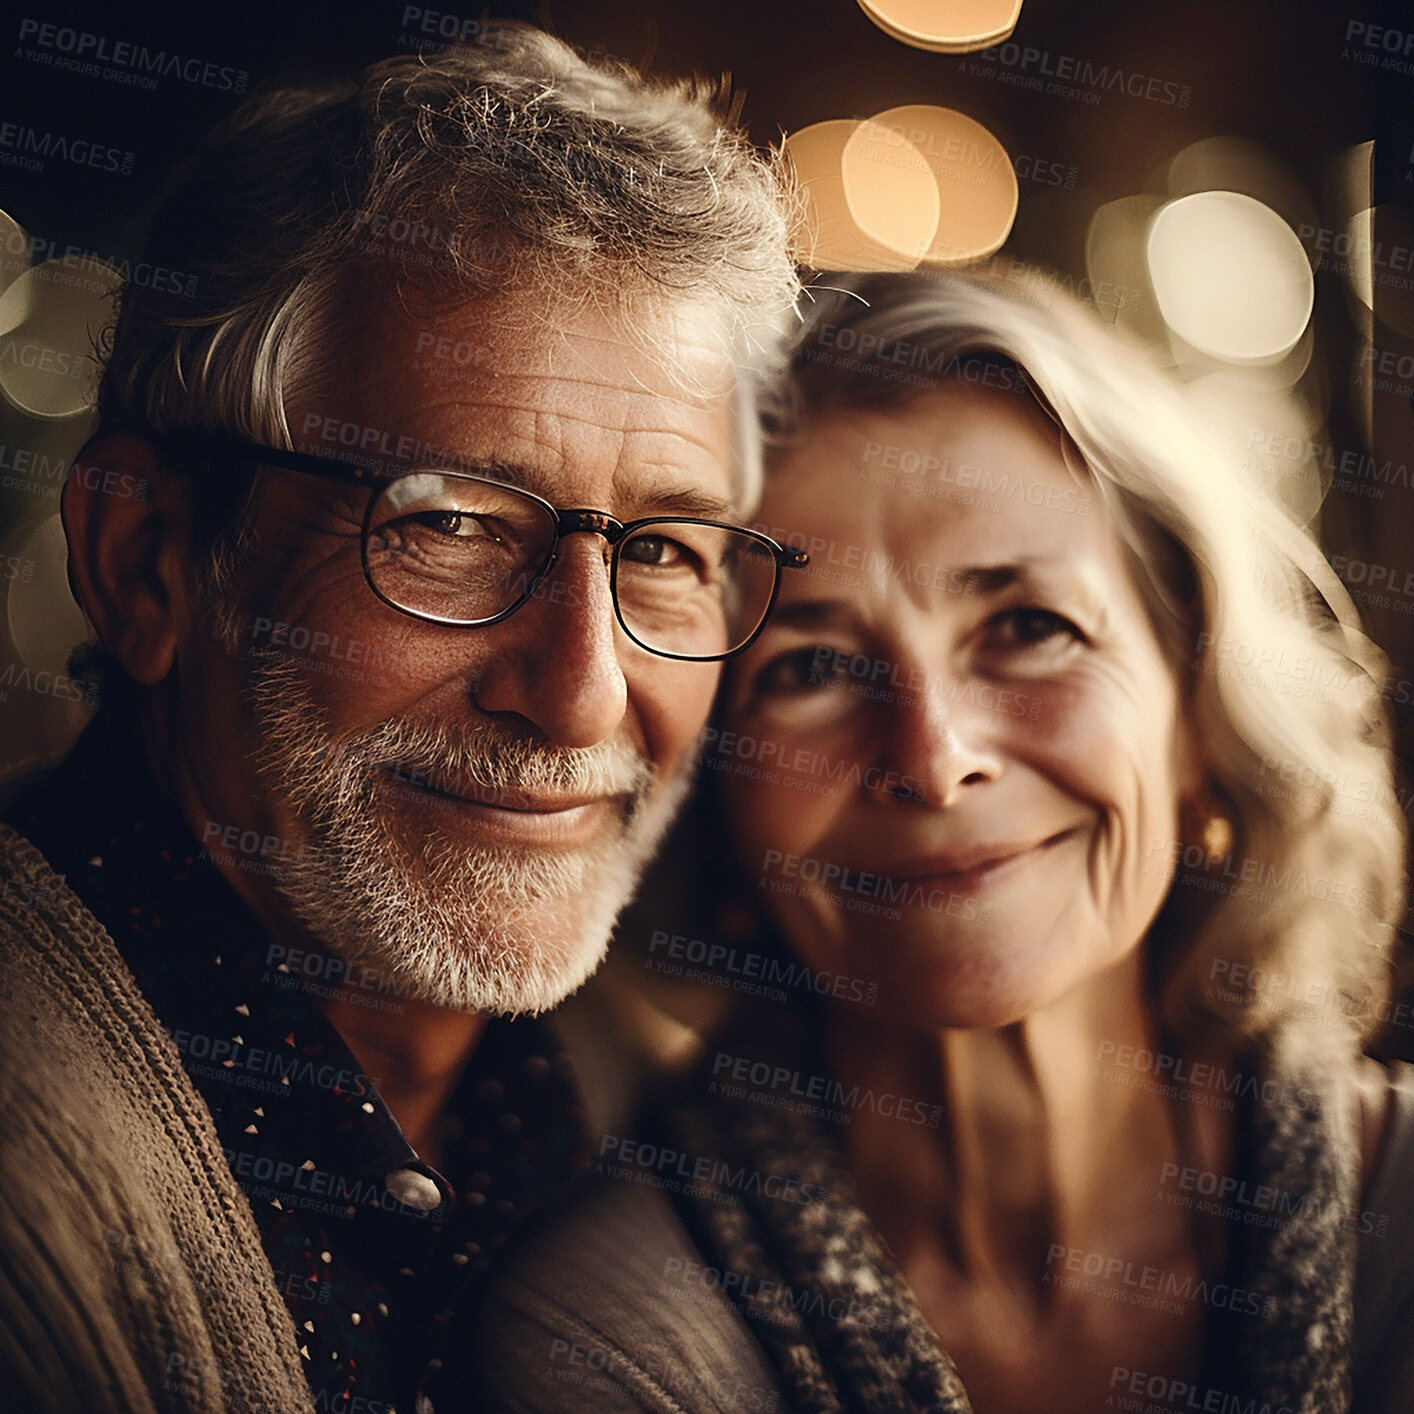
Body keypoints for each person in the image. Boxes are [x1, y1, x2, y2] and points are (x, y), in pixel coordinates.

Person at [0, 25, 802, 1414]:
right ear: (146, 562)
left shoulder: (669, 1116)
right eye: (447, 523)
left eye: (666, 548)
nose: (583, 691)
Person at [474, 268, 1414, 1413]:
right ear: (718, 803)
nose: (931, 755)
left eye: (1028, 627)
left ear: (1197, 722)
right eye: (809, 667)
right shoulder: (607, 1346)